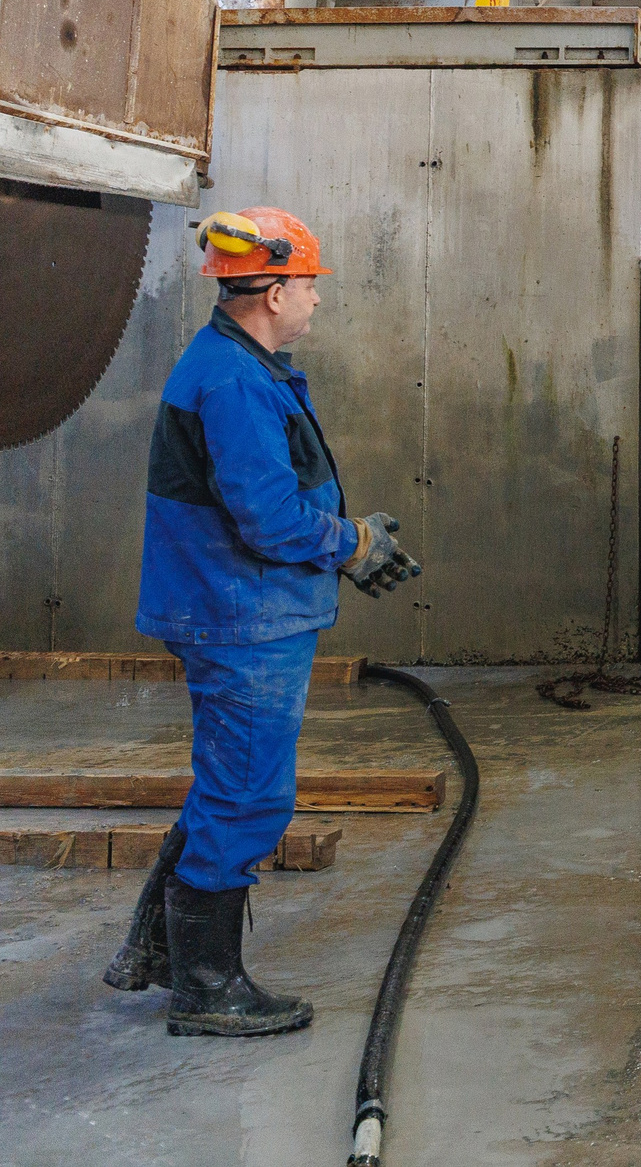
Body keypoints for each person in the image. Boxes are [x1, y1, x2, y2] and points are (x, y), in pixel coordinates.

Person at [102, 207, 421, 1037]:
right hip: (240, 615)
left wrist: (345, 537)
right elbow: (269, 517)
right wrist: (349, 543)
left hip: (240, 608)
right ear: (274, 291)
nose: (317, 300)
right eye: (310, 286)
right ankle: (206, 989)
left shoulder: (240, 363)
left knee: (229, 786)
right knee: (248, 796)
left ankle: (165, 956)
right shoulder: (237, 381)